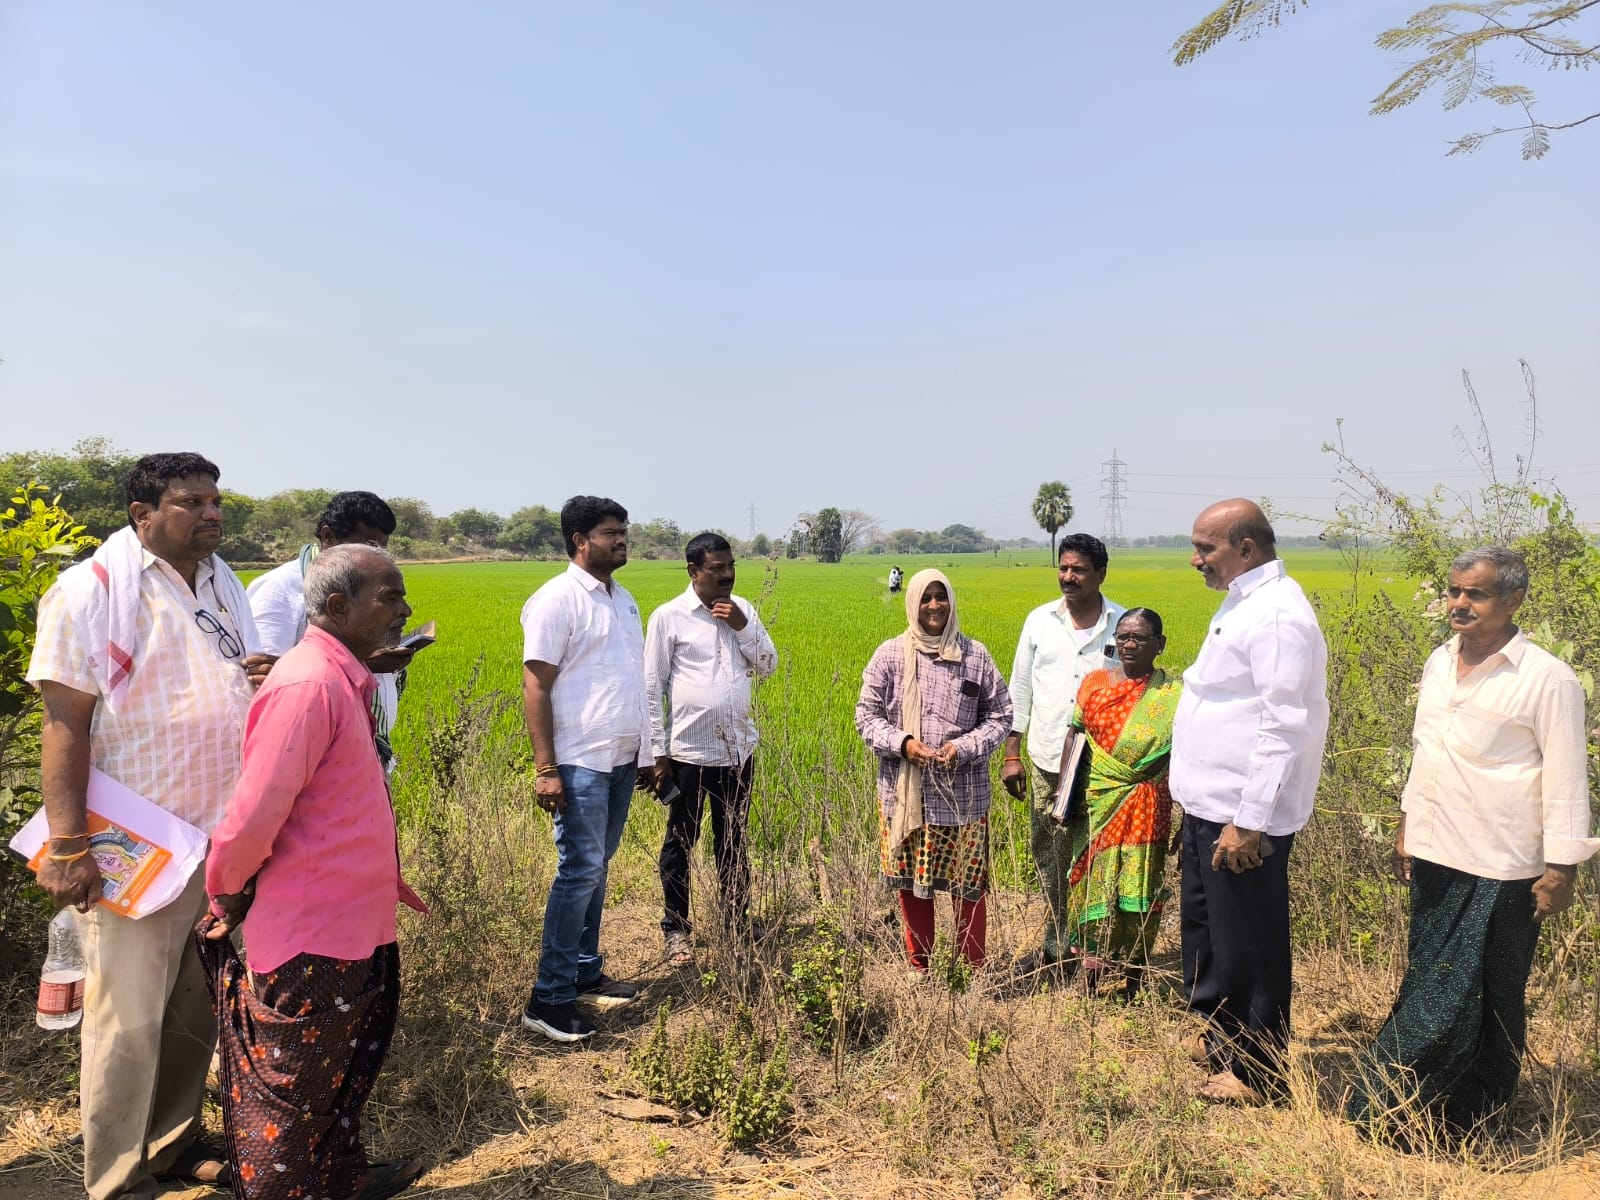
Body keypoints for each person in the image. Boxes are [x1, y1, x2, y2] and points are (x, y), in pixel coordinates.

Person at [26, 452, 273, 1199]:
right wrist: (69, 846)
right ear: (142, 514)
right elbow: (64, 723)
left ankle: (170, 1146)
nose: (212, 513)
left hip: (216, 837)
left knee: (193, 1009)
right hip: (135, 845)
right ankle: (116, 1179)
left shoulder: (223, 581)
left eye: (215, 500)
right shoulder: (92, 590)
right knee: (126, 1022)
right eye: (191, 502)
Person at [1347, 547, 1599, 1140]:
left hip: (1503, 864)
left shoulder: (1547, 679)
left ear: (1513, 601)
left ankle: (1467, 1113)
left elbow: (1567, 777)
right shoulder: (1440, 662)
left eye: (1476, 594)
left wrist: (1562, 867)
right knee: (1435, 982)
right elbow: (1424, 752)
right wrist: (1409, 824)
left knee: (1489, 992)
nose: (1459, 604)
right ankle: (1410, 1115)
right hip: (1437, 852)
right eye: (1455, 591)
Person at [199, 545, 427, 1200]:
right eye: (390, 597)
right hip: (313, 937)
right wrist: (225, 895)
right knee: (293, 1104)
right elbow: (251, 816)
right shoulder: (307, 685)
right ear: (335, 606)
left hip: (353, 924)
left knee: (337, 1080)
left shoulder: (341, 678)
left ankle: (338, 1183)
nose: (406, 611)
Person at [1171, 499, 1328, 1105]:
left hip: (1243, 816)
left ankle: (1257, 1070)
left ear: (1245, 548)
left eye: (1205, 548)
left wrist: (1250, 821)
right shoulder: (1244, 602)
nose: (1195, 559)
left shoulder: (1280, 616)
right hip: (1210, 806)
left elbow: (1283, 725)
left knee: (1251, 940)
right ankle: (1222, 1038)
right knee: (1211, 934)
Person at [519, 496, 650, 1043]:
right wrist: (546, 767)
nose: (622, 539)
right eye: (610, 532)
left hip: (619, 758)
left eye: (623, 530)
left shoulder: (622, 601)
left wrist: (645, 754)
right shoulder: (556, 600)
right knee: (579, 871)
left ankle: (584, 969)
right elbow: (536, 685)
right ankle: (548, 998)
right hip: (579, 762)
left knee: (597, 869)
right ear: (580, 540)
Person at [856, 570, 1012, 976]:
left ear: (952, 601)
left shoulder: (975, 656)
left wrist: (962, 748)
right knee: (911, 884)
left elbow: (1000, 715)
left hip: (965, 796)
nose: (934, 606)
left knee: (968, 886)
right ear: (912, 603)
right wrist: (904, 744)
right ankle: (919, 966)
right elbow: (866, 717)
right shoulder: (889, 655)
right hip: (906, 797)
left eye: (941, 596)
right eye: (925, 598)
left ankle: (971, 970)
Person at [645, 533, 778, 967]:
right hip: (687, 754)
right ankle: (676, 930)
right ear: (693, 572)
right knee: (680, 842)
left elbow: (769, 666)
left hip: (738, 752)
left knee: (734, 841)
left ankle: (737, 921)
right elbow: (652, 687)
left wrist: (742, 626)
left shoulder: (744, 612)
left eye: (730, 566)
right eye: (715, 568)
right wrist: (657, 753)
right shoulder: (669, 617)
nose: (726, 575)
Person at [1001, 534, 1125, 975]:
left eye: (1079, 570)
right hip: (1048, 759)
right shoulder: (1039, 622)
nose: (1068, 577)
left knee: (1094, 855)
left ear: (1100, 575)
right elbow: (1019, 691)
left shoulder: (1123, 624)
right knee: (1049, 854)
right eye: (1064, 567)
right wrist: (1011, 754)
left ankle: (1093, 948)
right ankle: (1057, 946)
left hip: (1105, 768)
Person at [1060, 608, 1181, 998]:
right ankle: (1090, 976)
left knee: (1139, 891)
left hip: (1148, 803)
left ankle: (1133, 979)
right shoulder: (1095, 684)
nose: (1129, 644)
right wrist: (1064, 796)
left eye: (1140, 638)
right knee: (1094, 885)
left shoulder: (1174, 695)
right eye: (1123, 636)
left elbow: (1185, 755)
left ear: (1159, 645)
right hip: (1098, 802)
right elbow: (1074, 738)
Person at [246, 490, 414, 771]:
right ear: (328, 538)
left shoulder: (363, 583)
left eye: (382, 548)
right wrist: (367, 663)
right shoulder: (278, 589)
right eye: (366, 545)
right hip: (310, 754)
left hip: (361, 744)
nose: (374, 556)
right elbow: (265, 677)